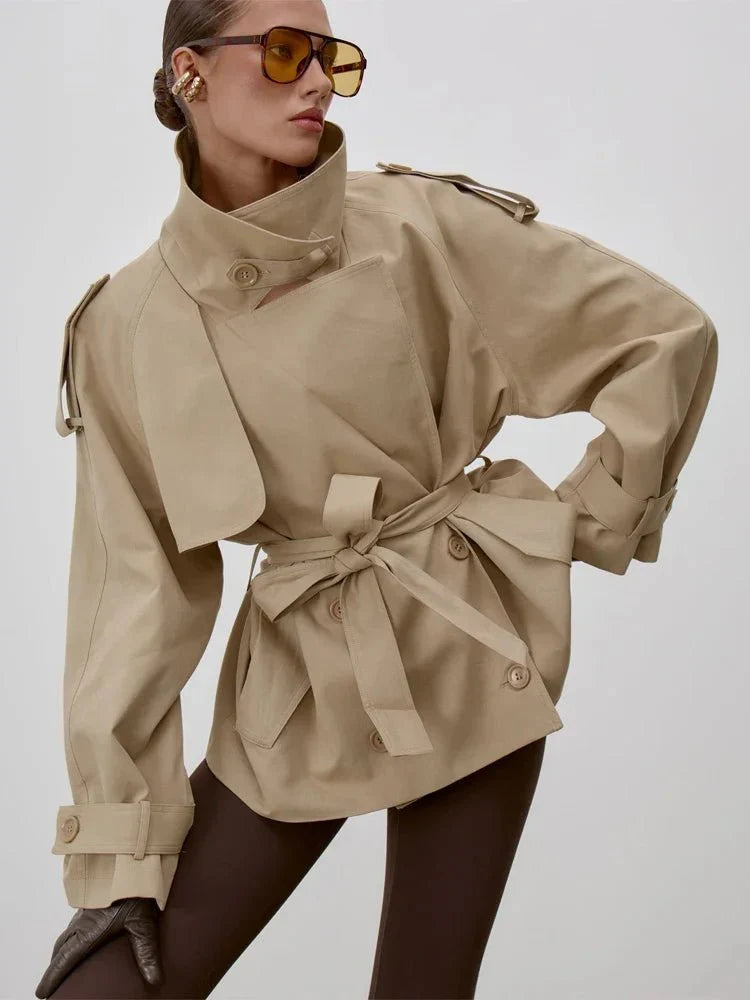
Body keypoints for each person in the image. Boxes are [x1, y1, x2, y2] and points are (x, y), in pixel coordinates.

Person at [35, 0, 719, 997]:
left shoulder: (416, 226)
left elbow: (663, 335)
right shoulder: (125, 326)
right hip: (296, 686)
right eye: (284, 53)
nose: (319, 80)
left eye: (332, 57)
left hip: (462, 642)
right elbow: (130, 597)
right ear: (189, 73)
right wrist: (119, 854)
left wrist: (576, 528)